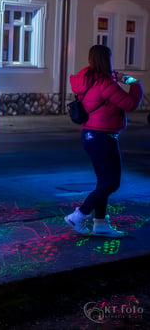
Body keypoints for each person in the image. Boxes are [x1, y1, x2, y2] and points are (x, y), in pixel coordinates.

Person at [65, 44, 143, 237]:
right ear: (107, 60)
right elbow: (130, 103)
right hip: (104, 137)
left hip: (90, 136)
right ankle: (79, 215)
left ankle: (100, 224)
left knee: (103, 182)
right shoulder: (105, 84)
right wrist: (134, 82)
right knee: (111, 183)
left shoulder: (85, 79)